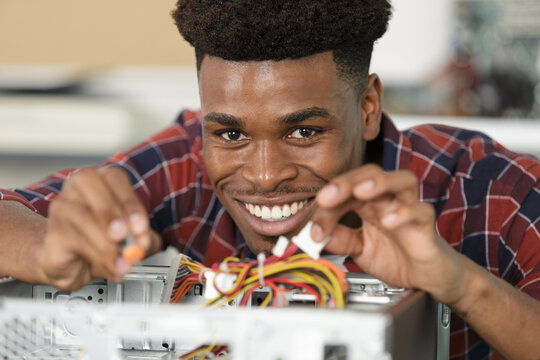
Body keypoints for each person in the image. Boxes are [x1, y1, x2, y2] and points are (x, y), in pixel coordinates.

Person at [0, 1, 539, 359]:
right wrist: (48, 245)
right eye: (231, 135)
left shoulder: (489, 191)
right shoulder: (182, 165)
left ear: (369, 106)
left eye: (303, 131)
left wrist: (465, 287)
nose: (263, 177)